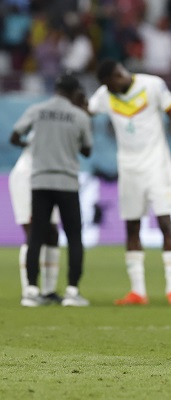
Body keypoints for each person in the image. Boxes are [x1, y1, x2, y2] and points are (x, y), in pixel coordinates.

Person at [88, 60, 171, 305]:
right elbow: (86, 110)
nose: (108, 90)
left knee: (165, 222)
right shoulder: (104, 93)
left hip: (157, 165)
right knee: (131, 226)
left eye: (110, 84)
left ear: (118, 75)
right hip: (128, 168)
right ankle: (138, 291)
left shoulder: (152, 85)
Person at [11, 73, 93, 307]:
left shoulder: (37, 110)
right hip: (66, 181)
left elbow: (15, 135)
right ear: (74, 92)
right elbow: (87, 150)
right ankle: (72, 291)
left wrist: (33, 146)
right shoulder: (79, 115)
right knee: (74, 236)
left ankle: (31, 291)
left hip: (40, 180)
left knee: (36, 235)